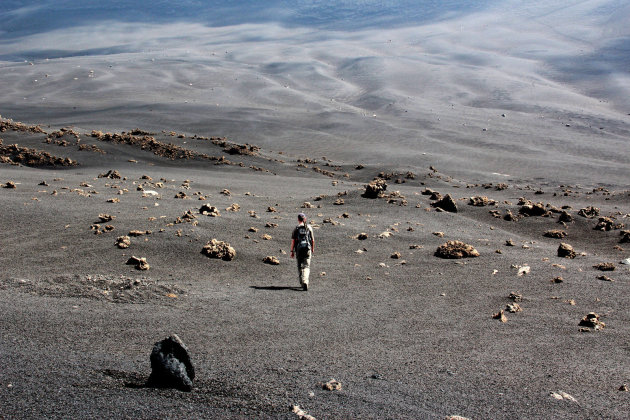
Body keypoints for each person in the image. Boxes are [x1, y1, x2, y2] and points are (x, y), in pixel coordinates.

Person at [290, 213, 315, 291]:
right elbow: (313, 240)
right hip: (307, 248)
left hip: (299, 249)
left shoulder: (296, 228)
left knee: (299, 266)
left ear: (298, 219)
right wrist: (312, 248)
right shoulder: (309, 228)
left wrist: (292, 251)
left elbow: (293, 241)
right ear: (305, 219)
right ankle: (305, 281)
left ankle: (301, 282)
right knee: (306, 266)